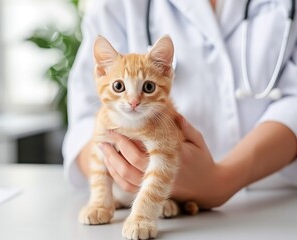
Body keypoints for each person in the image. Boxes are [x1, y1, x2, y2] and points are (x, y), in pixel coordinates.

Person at [62, 0, 297, 209]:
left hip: (271, 198)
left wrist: (223, 180)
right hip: (134, 196)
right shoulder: (114, 6)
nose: (133, 100)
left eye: (147, 88)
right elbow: (85, 121)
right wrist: (122, 174)